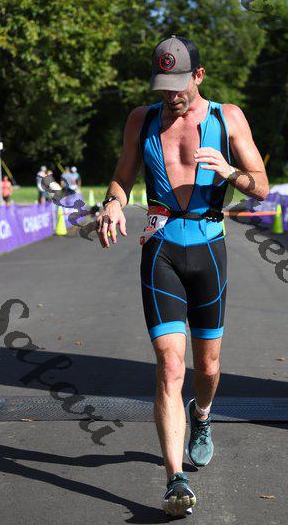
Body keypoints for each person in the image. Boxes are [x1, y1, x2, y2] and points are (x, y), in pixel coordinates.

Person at [96, 35, 269, 517]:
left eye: (178, 85)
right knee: (170, 367)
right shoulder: (142, 119)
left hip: (209, 248)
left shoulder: (227, 117)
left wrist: (229, 171)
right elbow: (122, 176)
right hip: (161, 249)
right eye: (162, 86)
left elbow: (261, 188)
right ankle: (175, 480)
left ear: (199, 76)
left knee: (207, 369)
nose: (170, 95)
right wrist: (112, 203)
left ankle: (203, 415)